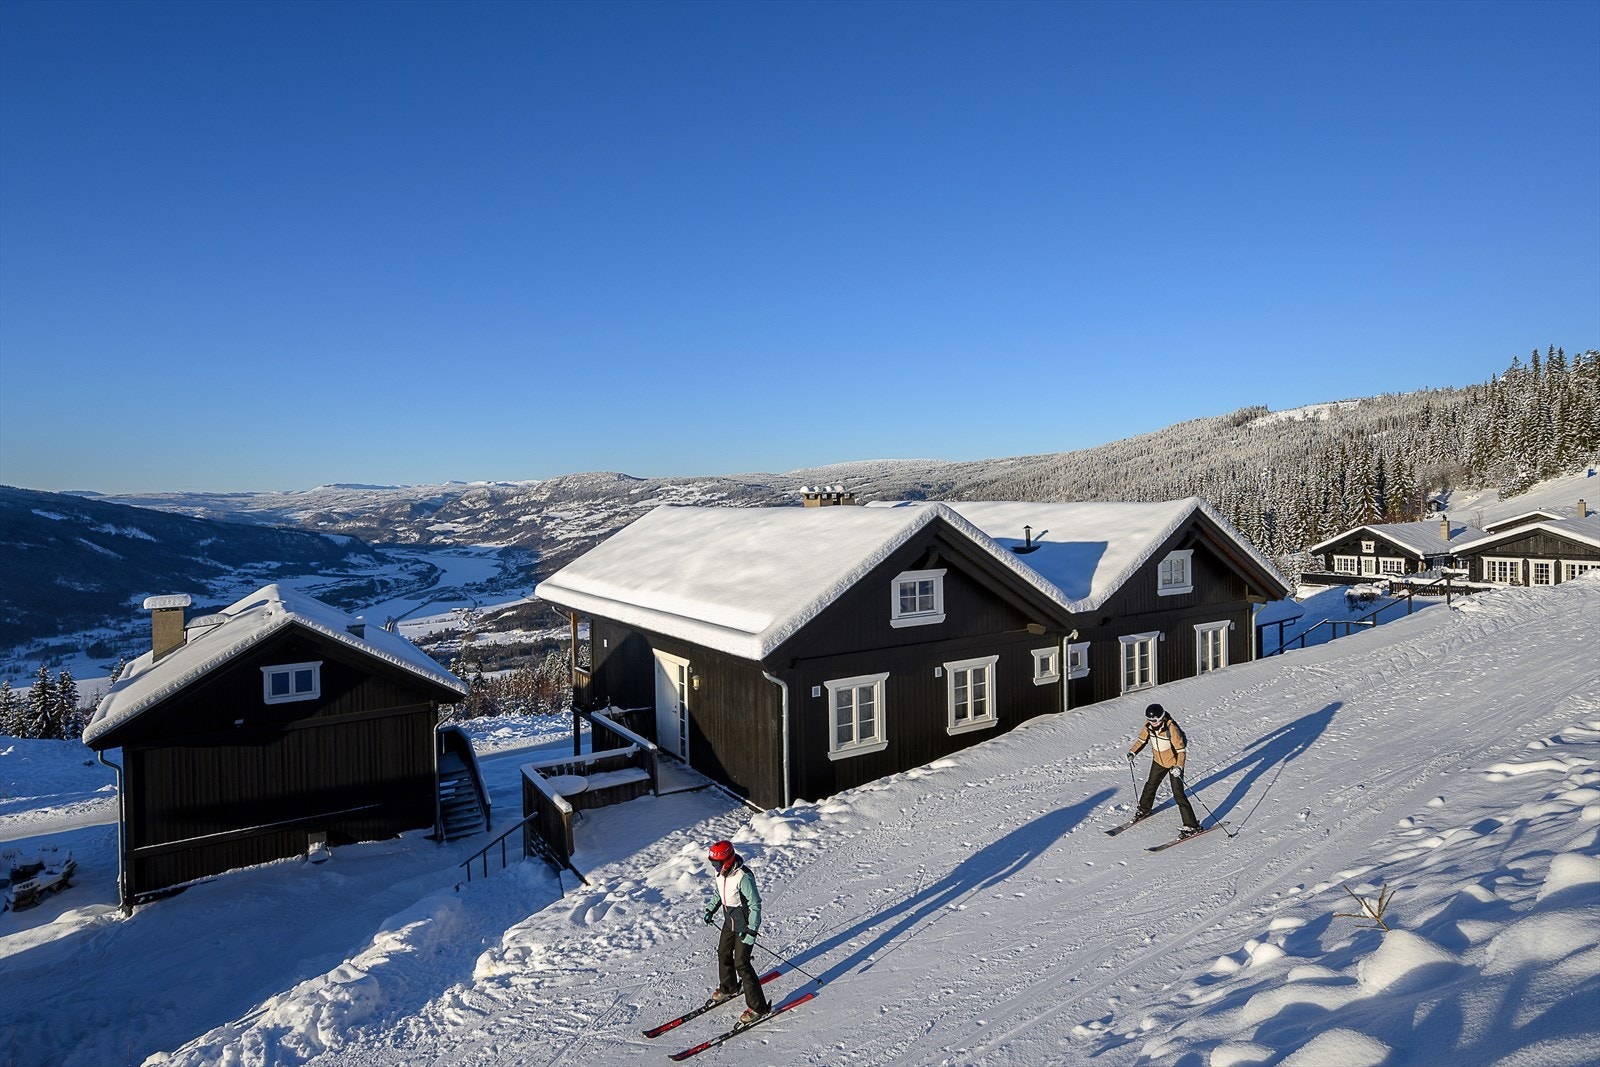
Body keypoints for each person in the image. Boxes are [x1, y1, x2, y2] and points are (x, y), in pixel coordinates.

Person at [702, 839, 770, 1023]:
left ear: (729, 860)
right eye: (713, 864)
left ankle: (758, 1007)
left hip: (745, 924)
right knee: (723, 952)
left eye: (718, 864)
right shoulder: (720, 874)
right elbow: (719, 894)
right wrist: (710, 909)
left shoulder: (743, 876)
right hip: (729, 921)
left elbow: (755, 905)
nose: (716, 867)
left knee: (742, 963)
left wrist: (751, 932)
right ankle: (728, 986)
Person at [1127, 703, 1202, 837]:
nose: (1152, 723)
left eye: (1154, 720)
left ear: (1161, 718)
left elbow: (1181, 750)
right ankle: (1144, 809)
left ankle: (1192, 825)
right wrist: (1132, 752)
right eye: (1149, 720)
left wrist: (1179, 767)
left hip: (1173, 765)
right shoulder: (1148, 726)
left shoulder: (1171, 728)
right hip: (1158, 762)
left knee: (1178, 794)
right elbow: (1141, 740)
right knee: (1150, 785)